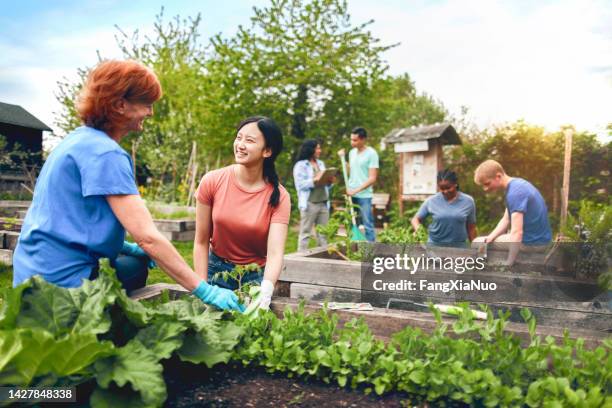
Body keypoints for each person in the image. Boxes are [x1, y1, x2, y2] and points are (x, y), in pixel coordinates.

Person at [13, 60, 243, 312]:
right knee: (136, 267)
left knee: (128, 258)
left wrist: (125, 246)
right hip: (65, 288)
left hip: (31, 276)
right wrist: (205, 289)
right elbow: (148, 239)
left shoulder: (75, 141)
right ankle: (104, 325)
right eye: (147, 104)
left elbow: (69, 220)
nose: (151, 112)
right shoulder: (107, 154)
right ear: (120, 105)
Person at [194, 116, 290, 310]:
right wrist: (202, 287)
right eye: (239, 138)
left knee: (250, 334)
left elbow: (274, 253)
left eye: (250, 140)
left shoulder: (279, 197)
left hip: (254, 277)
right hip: (216, 270)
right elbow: (201, 241)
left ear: (267, 151)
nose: (240, 145)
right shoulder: (212, 181)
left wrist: (266, 289)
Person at [473, 160, 552, 264]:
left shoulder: (515, 193)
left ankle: (483, 269)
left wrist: (509, 262)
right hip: (540, 240)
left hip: (533, 243)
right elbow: (506, 219)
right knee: (485, 241)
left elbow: (517, 232)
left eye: (487, 184)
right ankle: (485, 265)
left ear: (498, 176)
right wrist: (490, 237)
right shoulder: (517, 185)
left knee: (477, 243)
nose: (485, 189)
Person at [411, 169, 477, 247]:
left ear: (455, 184)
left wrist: (476, 247)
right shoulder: (431, 201)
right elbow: (415, 219)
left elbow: (471, 228)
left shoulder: (468, 201)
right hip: (434, 246)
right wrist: (419, 231)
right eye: (442, 188)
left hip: (459, 247)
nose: (445, 191)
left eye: (448, 188)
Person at [338, 127, 379, 242]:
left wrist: (356, 190)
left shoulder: (372, 154)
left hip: (364, 196)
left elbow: (372, 178)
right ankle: (353, 249)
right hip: (351, 194)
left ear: (363, 139)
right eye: (351, 140)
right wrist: (343, 160)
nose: (352, 143)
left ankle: (371, 252)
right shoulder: (352, 153)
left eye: (355, 140)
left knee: (368, 225)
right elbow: (351, 171)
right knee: (351, 223)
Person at [293, 139, 334, 251]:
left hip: (323, 203)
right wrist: (315, 180)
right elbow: (300, 185)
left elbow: (325, 185)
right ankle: (301, 258)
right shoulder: (300, 165)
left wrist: (329, 182)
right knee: (305, 233)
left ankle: (323, 258)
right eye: (318, 148)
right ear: (311, 150)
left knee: (323, 234)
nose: (320, 151)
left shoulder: (321, 164)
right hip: (310, 204)